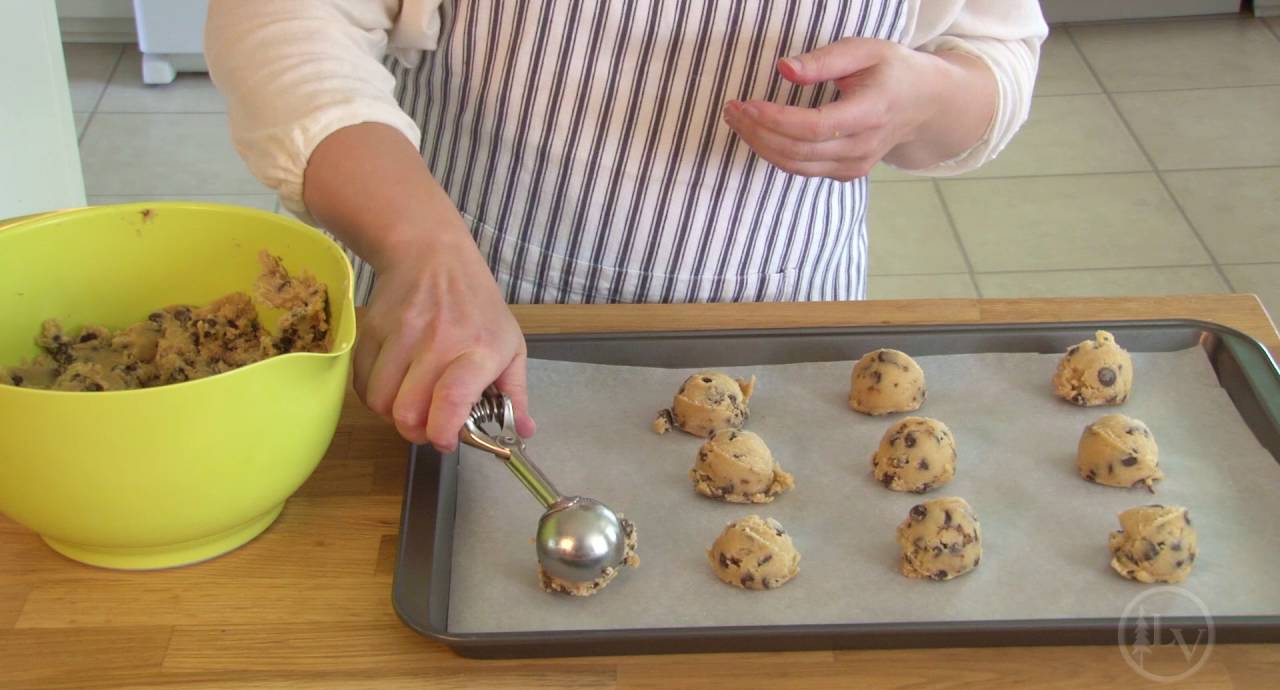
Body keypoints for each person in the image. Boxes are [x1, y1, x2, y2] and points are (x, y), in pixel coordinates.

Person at [206, 0, 1046, 451]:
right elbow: (286, 17)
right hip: (459, 316)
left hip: (785, 318)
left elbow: (998, 53)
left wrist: (925, 100)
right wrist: (420, 247)